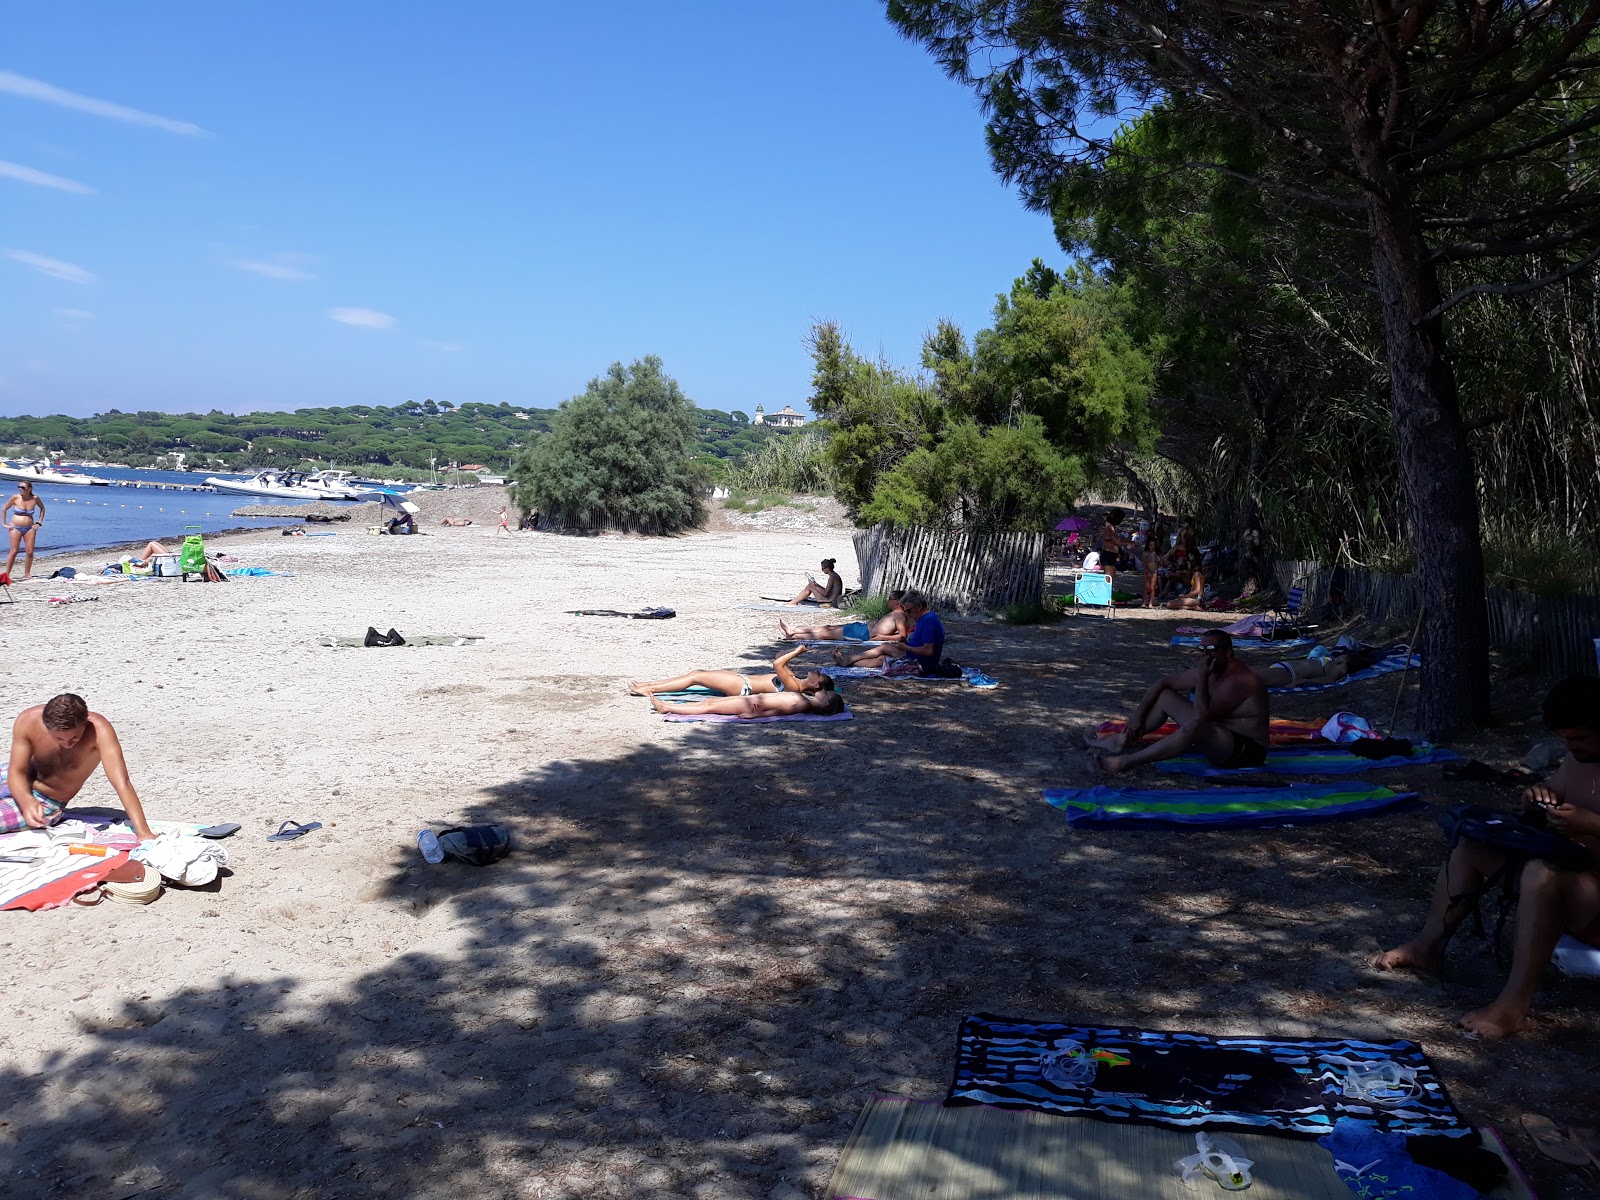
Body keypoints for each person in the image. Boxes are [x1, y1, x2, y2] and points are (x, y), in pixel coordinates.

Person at [1376, 676, 1600, 1038]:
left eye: (1580, 739)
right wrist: (1536, 796)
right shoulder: (1580, 759)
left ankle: (1514, 1004)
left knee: (1542, 873)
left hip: (1590, 901)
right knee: (1472, 845)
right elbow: (1553, 792)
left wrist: (1592, 824)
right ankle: (1427, 947)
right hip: (1574, 878)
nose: (1571, 746)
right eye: (1566, 739)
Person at [1086, 631, 1270, 773]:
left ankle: (1126, 762)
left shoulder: (1241, 679)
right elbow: (1163, 683)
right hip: (1220, 736)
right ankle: (1121, 740)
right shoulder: (1211, 668)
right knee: (1166, 696)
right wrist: (1137, 717)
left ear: (1228, 652)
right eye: (1202, 649)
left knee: (1195, 725)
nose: (1205, 655)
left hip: (1246, 751)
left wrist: (1203, 677)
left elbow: (1201, 716)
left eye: (1211, 650)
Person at [3, 693, 157, 840]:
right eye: (59, 738)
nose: (67, 744)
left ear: (85, 723)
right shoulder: (28, 720)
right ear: (46, 725)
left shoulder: (100, 731)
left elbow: (122, 782)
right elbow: (17, 771)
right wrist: (25, 800)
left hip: (45, 800)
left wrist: (143, 831)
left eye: (74, 737)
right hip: (12, 776)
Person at [630, 644, 833, 699]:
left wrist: (797, 652)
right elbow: (779, 657)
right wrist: (795, 651)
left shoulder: (794, 688)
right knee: (696, 673)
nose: (816, 670)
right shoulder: (795, 679)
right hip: (741, 681)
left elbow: (777, 665)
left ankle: (649, 689)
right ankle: (648, 685)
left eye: (819, 674)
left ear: (816, 685)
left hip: (742, 687)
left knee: (695, 677)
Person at [833, 590, 945, 675]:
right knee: (885, 648)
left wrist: (906, 648)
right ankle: (849, 660)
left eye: (909, 610)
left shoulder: (929, 621)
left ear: (919, 607)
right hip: (914, 655)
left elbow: (929, 651)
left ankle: (849, 661)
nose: (907, 614)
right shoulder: (924, 619)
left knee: (883, 658)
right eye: (905, 611)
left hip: (922, 662)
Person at [779, 591, 908, 642]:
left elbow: (903, 637)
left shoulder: (900, 616)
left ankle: (794, 635)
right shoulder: (895, 614)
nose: (887, 601)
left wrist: (882, 637)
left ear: (897, 601)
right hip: (862, 628)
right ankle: (794, 630)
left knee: (826, 634)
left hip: (863, 634)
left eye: (890, 598)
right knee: (827, 628)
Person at [1250, 647, 1383, 689]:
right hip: (1284, 667)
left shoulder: (1342, 666)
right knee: (1243, 671)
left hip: (1290, 673)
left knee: (1247, 679)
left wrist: (1304, 681)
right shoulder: (1336, 660)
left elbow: (1328, 680)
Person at [4, 480, 45, 581]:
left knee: (30, 551)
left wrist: (39, 522)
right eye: (19, 487)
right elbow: (4, 509)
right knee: (13, 551)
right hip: (15, 527)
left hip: (30, 528)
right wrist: (5, 524)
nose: (20, 489)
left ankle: (27, 574)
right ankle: (7, 575)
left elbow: (42, 508)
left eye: (23, 487)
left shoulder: (35, 498)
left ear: (29, 489)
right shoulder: (15, 497)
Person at [1142, 537, 1161, 607]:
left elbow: (1159, 562)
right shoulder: (1146, 553)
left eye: (1154, 545)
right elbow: (1143, 563)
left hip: (1154, 572)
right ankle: (1144, 602)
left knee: (1153, 587)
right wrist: (1146, 570)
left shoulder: (1156, 553)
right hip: (1147, 571)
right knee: (1147, 587)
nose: (1152, 547)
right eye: (1151, 545)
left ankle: (1150, 602)